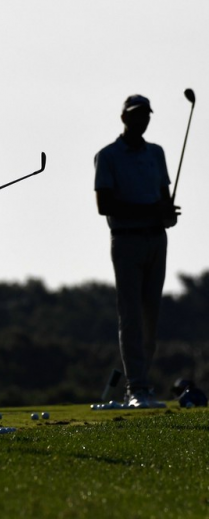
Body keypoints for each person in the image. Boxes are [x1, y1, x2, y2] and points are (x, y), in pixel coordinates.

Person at [94, 94, 179, 409]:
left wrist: (167, 213)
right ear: (124, 118)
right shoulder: (108, 156)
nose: (141, 120)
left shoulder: (157, 153)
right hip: (126, 239)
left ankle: (144, 385)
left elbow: (163, 199)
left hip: (157, 239)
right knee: (130, 315)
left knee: (150, 316)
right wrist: (149, 209)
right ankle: (136, 388)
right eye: (136, 114)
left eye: (146, 115)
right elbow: (105, 204)